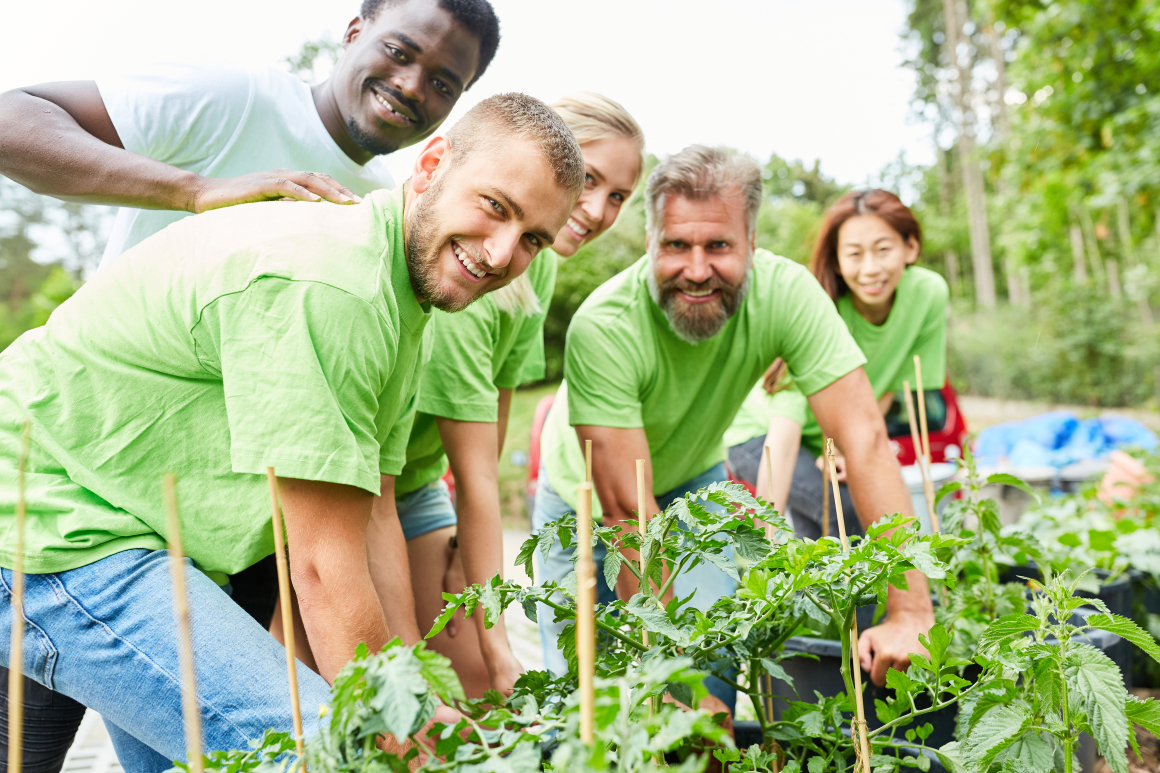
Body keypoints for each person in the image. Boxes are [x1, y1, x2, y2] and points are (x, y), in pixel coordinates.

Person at [0, 93, 584, 773]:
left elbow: (371, 516)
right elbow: (321, 566)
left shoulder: (401, 295)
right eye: (495, 205)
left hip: (141, 538)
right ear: (431, 165)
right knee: (322, 753)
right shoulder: (333, 282)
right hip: (54, 523)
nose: (503, 251)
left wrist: (409, 686)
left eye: (534, 238)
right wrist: (399, 731)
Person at [533, 149, 937, 707]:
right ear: (651, 240)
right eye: (676, 245)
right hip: (583, 499)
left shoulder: (788, 294)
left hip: (691, 480)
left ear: (751, 241)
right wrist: (676, 694)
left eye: (719, 246)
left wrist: (911, 611)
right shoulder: (606, 326)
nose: (697, 270)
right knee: (582, 705)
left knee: (711, 663)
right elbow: (628, 513)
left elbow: (865, 440)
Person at [394, 93, 645, 697]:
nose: (595, 209)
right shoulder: (477, 269)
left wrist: (461, 542)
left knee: (475, 687)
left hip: (419, 483)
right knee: (385, 682)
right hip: (365, 484)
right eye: (587, 179)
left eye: (618, 196)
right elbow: (476, 469)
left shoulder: (539, 264)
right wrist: (497, 640)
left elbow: (497, 415)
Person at [0, 0, 500, 270]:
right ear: (353, 34)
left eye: (441, 83)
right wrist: (194, 190)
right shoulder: (237, 97)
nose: (411, 86)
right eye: (397, 51)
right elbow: (10, 121)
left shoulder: (384, 203)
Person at [724, 190, 948, 540]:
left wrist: (847, 448)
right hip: (762, 431)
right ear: (838, 261)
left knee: (827, 542)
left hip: (825, 438)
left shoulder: (928, 295)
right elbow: (784, 431)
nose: (871, 269)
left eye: (883, 250)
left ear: (911, 248)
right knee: (847, 510)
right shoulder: (818, 308)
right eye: (855, 254)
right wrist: (765, 539)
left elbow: (889, 385)